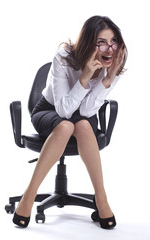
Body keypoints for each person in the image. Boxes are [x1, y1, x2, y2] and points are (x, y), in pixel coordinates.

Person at [13, 15, 127, 229]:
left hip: (84, 114)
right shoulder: (64, 56)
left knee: (82, 124)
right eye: (101, 42)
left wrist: (107, 80)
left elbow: (85, 111)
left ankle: (101, 199)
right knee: (66, 125)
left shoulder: (117, 60)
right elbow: (64, 110)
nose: (109, 48)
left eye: (113, 41)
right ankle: (29, 195)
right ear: (88, 42)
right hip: (50, 110)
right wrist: (85, 77)